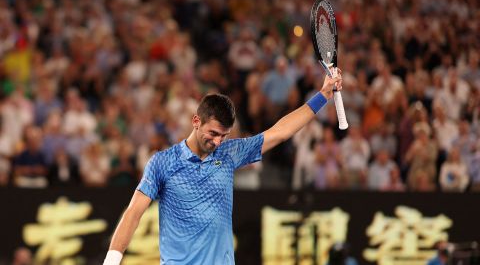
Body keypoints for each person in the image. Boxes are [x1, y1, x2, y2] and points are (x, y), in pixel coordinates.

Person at [103, 70, 342, 265]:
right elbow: (134, 213)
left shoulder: (228, 153)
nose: (217, 142)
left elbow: (279, 133)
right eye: (213, 133)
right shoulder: (163, 163)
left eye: (224, 136)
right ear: (196, 121)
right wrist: (111, 262)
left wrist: (322, 95)